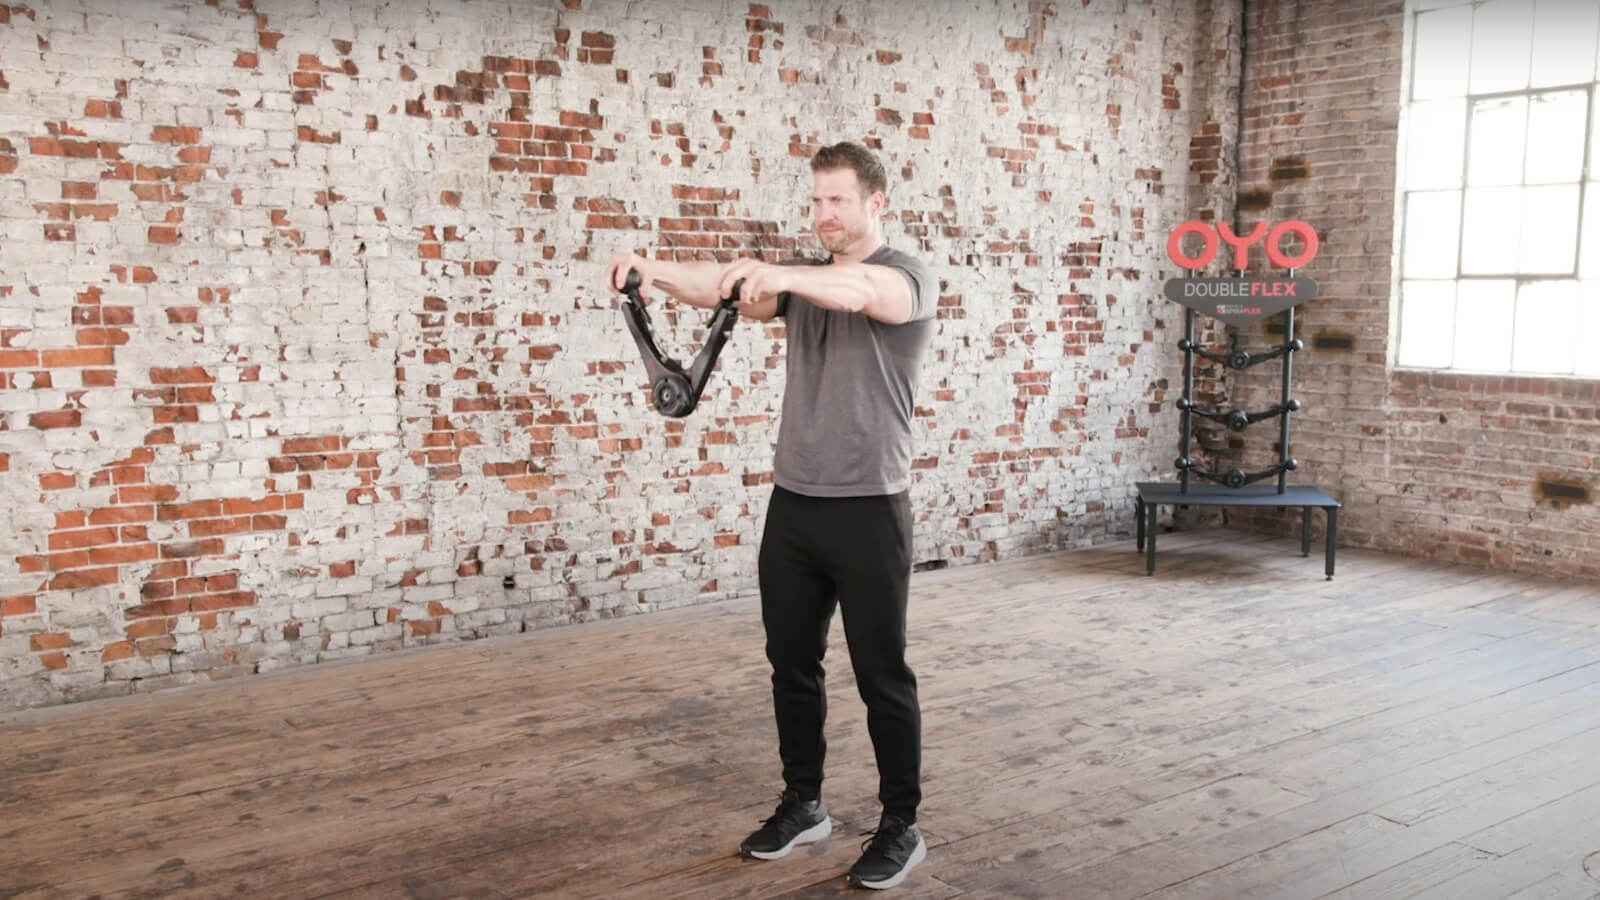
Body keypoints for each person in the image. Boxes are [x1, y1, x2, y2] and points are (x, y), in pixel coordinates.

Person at [603, 141, 936, 890]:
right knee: (791, 664)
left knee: (882, 673)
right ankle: (804, 803)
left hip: (871, 507)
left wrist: (782, 274)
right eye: (816, 200)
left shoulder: (906, 276)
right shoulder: (803, 284)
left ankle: (901, 825)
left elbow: (863, 292)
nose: (823, 214)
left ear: (876, 203)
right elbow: (724, 287)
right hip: (795, 505)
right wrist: (652, 271)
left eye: (838, 200)